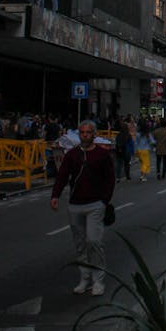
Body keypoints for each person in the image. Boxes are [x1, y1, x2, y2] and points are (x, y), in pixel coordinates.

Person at [50, 119, 115, 296]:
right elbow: (63, 175)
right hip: (75, 204)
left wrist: (104, 200)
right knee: (80, 245)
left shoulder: (102, 155)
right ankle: (85, 278)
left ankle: (98, 280)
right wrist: (55, 195)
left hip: (95, 204)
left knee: (94, 242)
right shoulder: (72, 155)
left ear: (94, 134)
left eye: (88, 132)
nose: (85, 135)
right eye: (82, 133)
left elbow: (110, 179)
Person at [135, 118, 154, 183]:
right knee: (146, 164)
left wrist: (135, 151)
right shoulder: (148, 134)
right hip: (145, 150)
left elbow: (136, 143)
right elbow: (152, 141)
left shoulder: (138, 134)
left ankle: (142, 176)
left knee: (142, 163)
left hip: (139, 150)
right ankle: (143, 176)